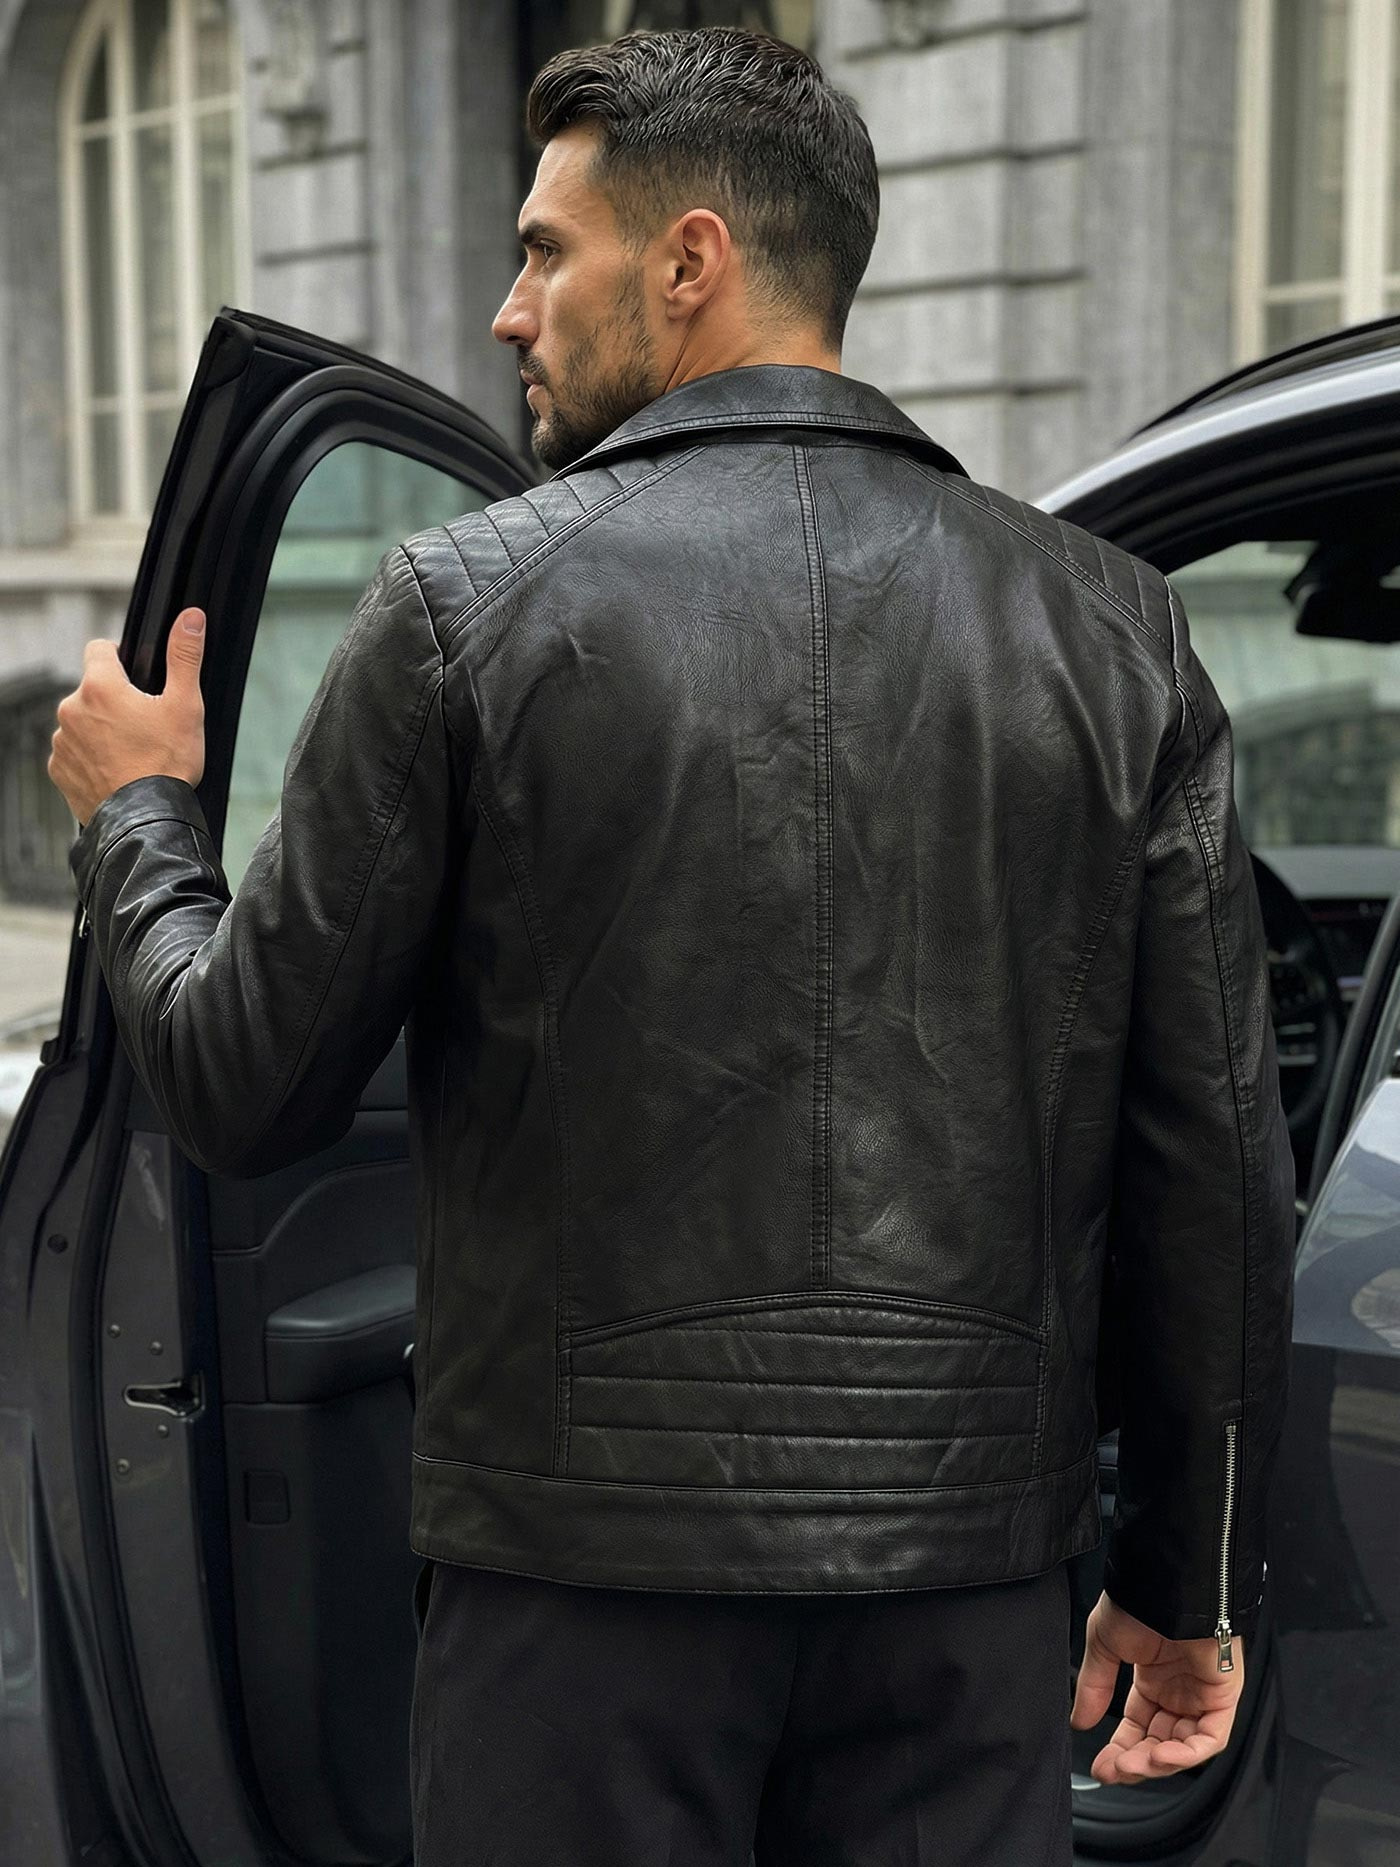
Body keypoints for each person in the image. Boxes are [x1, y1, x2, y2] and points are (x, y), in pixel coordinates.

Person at [48, 24, 1295, 1867]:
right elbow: (1215, 1172)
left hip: (575, 1612)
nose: (508, 310)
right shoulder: (1116, 632)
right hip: (962, 1599)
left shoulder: (462, 608)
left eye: (546, 251)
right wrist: (1187, 1581)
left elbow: (243, 1083)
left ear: (691, 258)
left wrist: (139, 819)